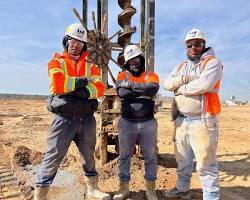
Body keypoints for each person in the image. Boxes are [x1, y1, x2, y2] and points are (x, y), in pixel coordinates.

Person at [34, 23, 111, 200]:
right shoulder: (56, 62)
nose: (75, 45)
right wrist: (80, 84)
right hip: (64, 119)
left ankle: (92, 189)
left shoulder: (91, 66)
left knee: (89, 156)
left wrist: (85, 90)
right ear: (66, 41)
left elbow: (99, 88)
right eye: (73, 41)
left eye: (80, 42)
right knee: (53, 156)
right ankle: (41, 194)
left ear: (84, 46)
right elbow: (58, 83)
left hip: (86, 119)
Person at [163, 28, 223, 200]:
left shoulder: (212, 63)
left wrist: (180, 89)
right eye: (189, 45)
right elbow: (167, 84)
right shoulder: (182, 66)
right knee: (183, 161)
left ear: (204, 45)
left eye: (197, 44)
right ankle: (182, 190)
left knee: (205, 164)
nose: (193, 48)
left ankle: (211, 196)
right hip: (181, 122)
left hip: (202, 122)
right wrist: (184, 79)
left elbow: (203, 86)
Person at [113, 44, 160, 200]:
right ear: (127, 63)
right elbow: (122, 92)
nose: (134, 62)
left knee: (150, 156)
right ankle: (123, 188)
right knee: (124, 156)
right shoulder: (122, 75)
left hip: (148, 123)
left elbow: (152, 90)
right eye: (130, 60)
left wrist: (131, 86)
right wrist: (140, 89)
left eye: (136, 59)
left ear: (141, 59)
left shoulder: (151, 75)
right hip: (127, 123)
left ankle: (150, 190)